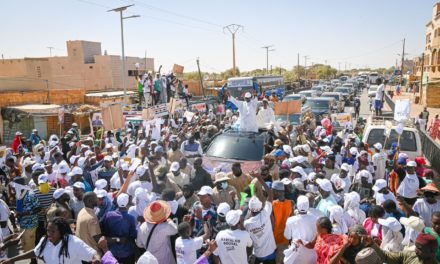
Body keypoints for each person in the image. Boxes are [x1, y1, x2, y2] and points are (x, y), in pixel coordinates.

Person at [0, 217, 100, 264]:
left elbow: (92, 254)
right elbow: (35, 252)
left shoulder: (73, 242)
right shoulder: (45, 240)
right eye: (48, 231)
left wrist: (96, 259)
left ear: (61, 231)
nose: (49, 234)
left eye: (53, 231)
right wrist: (12, 260)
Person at [244, 175, 276, 264]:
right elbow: (270, 193)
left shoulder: (247, 223)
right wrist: (259, 178)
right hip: (270, 252)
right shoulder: (265, 213)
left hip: (258, 254)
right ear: (261, 206)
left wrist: (249, 213)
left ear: (250, 210)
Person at [11, 176, 41, 264]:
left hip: (31, 223)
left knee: (29, 243)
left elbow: (38, 208)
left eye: (15, 186)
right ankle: (33, 259)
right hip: (22, 223)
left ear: (19, 185)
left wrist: (23, 214)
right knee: (24, 243)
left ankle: (34, 261)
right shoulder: (19, 193)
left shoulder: (30, 194)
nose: (14, 188)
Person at [101, 193, 137, 263]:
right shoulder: (131, 218)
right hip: (127, 252)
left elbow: (106, 231)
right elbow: (133, 235)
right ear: (127, 203)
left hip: (113, 251)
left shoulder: (109, 215)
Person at [284, 195, 318, 264]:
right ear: (308, 206)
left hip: (296, 254)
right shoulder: (315, 219)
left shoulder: (290, 220)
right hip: (311, 254)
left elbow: (287, 236)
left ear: (297, 205)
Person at [365, 232, 438, 264]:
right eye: (416, 247)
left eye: (419, 248)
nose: (415, 250)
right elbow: (386, 257)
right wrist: (372, 244)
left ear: (432, 251)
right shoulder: (410, 255)